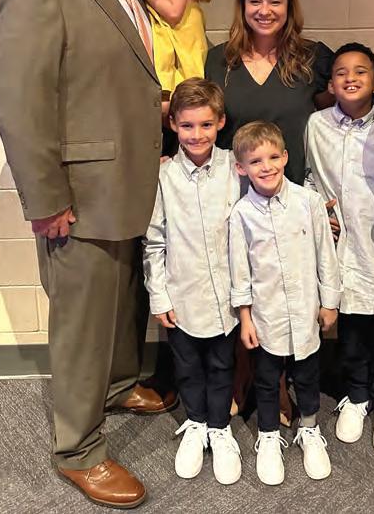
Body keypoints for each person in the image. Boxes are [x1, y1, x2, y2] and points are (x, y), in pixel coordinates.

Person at [0, 0, 176, 509]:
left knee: (120, 304)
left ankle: (118, 384)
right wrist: (46, 197)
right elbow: (18, 99)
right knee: (81, 323)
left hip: (128, 183)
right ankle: (78, 449)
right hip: (79, 194)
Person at [304, 42, 374, 455]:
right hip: (339, 244)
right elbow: (310, 176)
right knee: (350, 329)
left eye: (361, 71)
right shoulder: (316, 125)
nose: (350, 78)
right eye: (341, 72)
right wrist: (318, 212)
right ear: (330, 84)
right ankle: (357, 395)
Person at [229, 121, 341, 486]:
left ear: (286, 157)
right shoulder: (241, 214)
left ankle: (309, 429)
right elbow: (240, 271)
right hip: (266, 317)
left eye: (273, 157)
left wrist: (329, 302)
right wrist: (245, 317)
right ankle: (268, 436)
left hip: (306, 312)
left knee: (307, 376)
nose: (266, 167)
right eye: (256, 161)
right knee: (266, 380)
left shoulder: (308, 202)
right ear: (241, 167)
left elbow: (325, 255)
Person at [143, 78, 242, 486]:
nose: (196, 134)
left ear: (220, 122)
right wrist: (159, 296)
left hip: (229, 298)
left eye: (205, 124)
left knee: (222, 365)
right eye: (186, 126)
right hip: (182, 296)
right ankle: (196, 422)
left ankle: (219, 427)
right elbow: (154, 240)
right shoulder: (163, 176)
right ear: (173, 125)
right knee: (187, 367)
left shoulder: (237, 169)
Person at [205, 0, 335, 186]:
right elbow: (198, 128)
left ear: (289, 6)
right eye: (255, 1)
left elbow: (340, 128)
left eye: (275, 2)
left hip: (295, 194)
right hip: (232, 194)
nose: (264, 11)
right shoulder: (218, 61)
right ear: (242, 5)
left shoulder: (313, 59)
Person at [119, 0, 211, 132]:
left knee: (192, 105)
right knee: (167, 111)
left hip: (188, 51)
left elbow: (173, 13)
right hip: (169, 61)